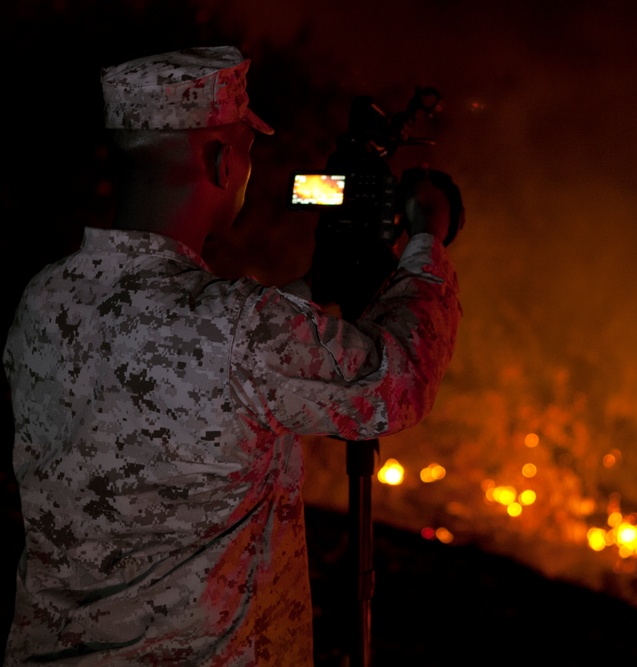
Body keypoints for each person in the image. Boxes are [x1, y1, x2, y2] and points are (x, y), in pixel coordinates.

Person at [2, 46, 462, 665]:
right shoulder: (242, 331)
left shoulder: (45, 298)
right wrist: (428, 238)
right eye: (247, 149)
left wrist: (312, 291)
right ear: (220, 161)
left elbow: (175, 348)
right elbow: (397, 379)